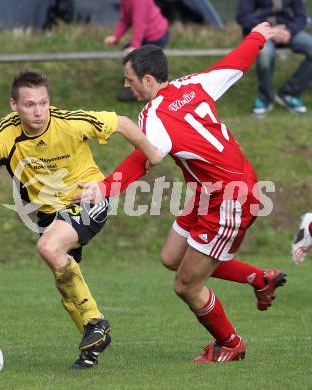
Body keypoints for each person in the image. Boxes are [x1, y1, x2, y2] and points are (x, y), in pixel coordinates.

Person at [75, 22, 287, 363]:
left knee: (186, 285)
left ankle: (231, 344)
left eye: (128, 79)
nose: (125, 85)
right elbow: (236, 63)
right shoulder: (193, 84)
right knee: (172, 258)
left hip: (230, 199)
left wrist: (104, 187)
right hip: (210, 192)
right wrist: (258, 36)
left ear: (147, 80)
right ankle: (259, 278)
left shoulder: (153, 116)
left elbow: (143, 161)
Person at [0, 70, 161, 369]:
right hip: (48, 215)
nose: (38, 111)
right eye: (29, 104)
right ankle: (91, 347)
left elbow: (121, 123)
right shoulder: (6, 132)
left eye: (43, 103)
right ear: (13, 105)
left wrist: (153, 154)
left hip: (87, 200)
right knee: (65, 282)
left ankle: (96, 323)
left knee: (48, 248)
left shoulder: (69, 122)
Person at [236, 0, 312, 117]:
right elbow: (242, 16)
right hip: (261, 32)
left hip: (288, 31)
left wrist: (289, 31)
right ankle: (265, 98)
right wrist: (270, 30)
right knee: (265, 53)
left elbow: (301, 18)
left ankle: (289, 94)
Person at [104, 0, 169, 101]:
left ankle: (138, 91)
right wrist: (115, 36)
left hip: (155, 35)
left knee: (140, 63)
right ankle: (134, 81)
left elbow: (140, 23)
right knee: (130, 57)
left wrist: (135, 46)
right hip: (145, 36)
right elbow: (125, 20)